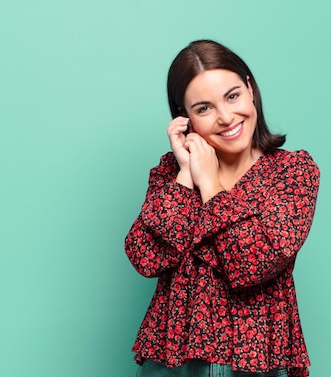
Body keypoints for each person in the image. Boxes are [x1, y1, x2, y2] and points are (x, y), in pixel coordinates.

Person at [124, 40, 320, 377]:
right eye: (204, 108)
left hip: (255, 360)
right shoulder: (171, 172)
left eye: (232, 96)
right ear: (184, 119)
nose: (226, 117)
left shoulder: (293, 173)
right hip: (171, 360)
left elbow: (252, 264)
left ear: (249, 88)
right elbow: (145, 257)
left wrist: (210, 184)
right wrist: (187, 175)